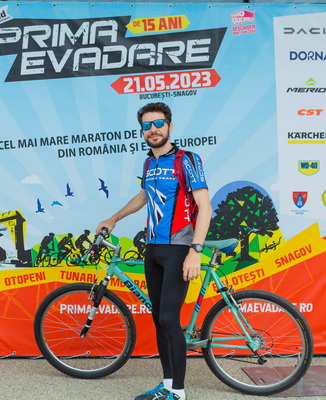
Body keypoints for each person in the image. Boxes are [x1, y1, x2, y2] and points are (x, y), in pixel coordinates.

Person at [96, 102, 212, 400]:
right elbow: (144, 196)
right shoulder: (149, 163)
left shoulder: (187, 160)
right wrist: (113, 218)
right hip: (154, 249)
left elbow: (205, 206)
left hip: (179, 249)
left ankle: (179, 393)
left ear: (169, 126)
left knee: (170, 319)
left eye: (158, 123)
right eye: (146, 126)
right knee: (159, 318)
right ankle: (167, 384)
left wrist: (195, 250)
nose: (153, 130)